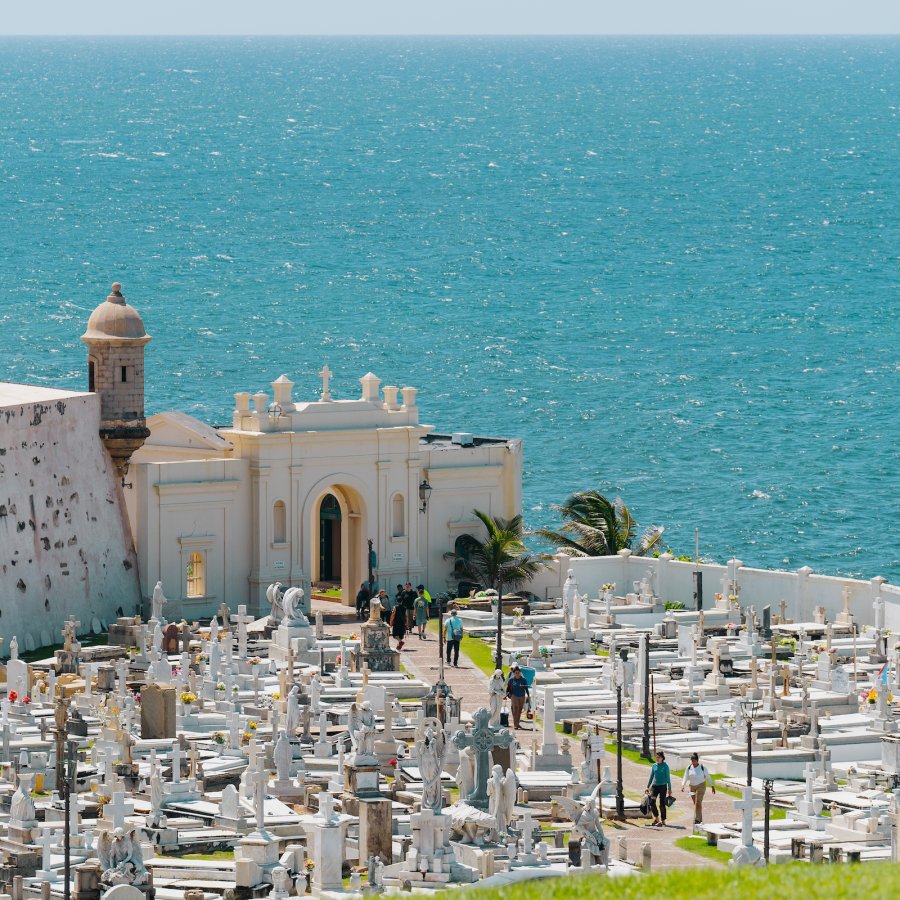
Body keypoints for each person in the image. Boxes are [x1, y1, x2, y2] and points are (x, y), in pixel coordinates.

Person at [681, 752, 715, 825]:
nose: (693, 762)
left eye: (694, 761)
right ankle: (699, 818)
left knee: (698, 802)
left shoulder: (703, 767)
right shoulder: (689, 767)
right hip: (692, 787)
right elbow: (685, 776)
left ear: (697, 760)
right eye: (692, 761)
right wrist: (683, 785)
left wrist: (712, 786)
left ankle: (697, 820)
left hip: (701, 785)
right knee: (695, 803)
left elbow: (708, 776)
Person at [645, 751, 672, 826]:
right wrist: (648, 786)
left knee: (662, 804)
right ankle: (657, 818)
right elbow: (651, 777)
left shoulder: (665, 766)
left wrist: (670, 789)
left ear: (662, 758)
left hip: (663, 786)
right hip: (655, 786)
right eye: (656, 757)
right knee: (652, 802)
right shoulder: (654, 765)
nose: (657, 758)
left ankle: (663, 820)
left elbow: (668, 778)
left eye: (659, 757)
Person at [506, 664, 531, 729]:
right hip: (514, 696)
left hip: (522, 696)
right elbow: (508, 689)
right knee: (515, 708)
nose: (517, 674)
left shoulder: (523, 680)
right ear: (514, 673)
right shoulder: (511, 680)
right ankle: (515, 724)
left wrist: (528, 696)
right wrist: (508, 695)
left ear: (520, 673)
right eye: (516, 673)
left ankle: (517, 723)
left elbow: (526, 688)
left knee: (520, 709)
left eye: (518, 673)